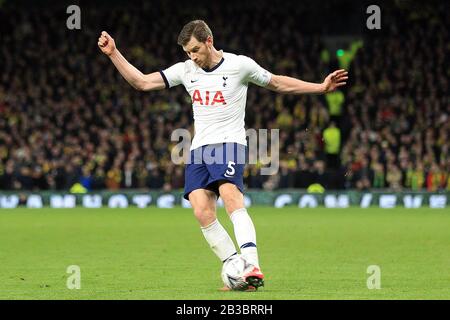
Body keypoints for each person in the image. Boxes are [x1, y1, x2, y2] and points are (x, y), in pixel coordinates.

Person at [98, 20, 348, 291]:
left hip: (229, 143)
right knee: (201, 211)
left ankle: (252, 263)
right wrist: (114, 53)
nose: (192, 56)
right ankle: (236, 268)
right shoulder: (186, 70)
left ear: (209, 41)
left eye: (195, 49)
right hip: (198, 149)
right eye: (187, 52)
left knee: (230, 197)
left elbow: (277, 83)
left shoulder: (239, 65)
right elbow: (142, 82)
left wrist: (319, 88)